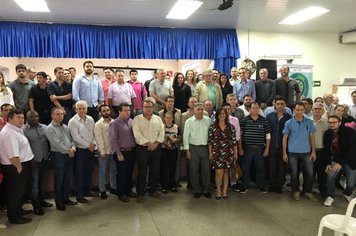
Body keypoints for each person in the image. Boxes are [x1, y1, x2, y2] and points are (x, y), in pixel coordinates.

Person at [0, 109, 33, 224]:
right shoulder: (9, 133)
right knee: (15, 192)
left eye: (22, 117)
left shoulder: (16, 130)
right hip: (15, 167)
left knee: (19, 192)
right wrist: (19, 168)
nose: (21, 120)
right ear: (9, 119)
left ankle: (18, 211)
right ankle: (15, 217)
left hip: (19, 165)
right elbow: (13, 156)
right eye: (18, 117)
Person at [282, 101, 317, 201]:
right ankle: (295, 191)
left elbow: (312, 137)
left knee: (309, 173)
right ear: (294, 110)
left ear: (304, 110)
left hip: (306, 152)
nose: (299, 112)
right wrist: (284, 153)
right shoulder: (289, 123)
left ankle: (307, 191)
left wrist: (313, 151)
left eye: (301, 110)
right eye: (297, 110)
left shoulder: (309, 122)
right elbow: (284, 138)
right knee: (294, 173)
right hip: (292, 152)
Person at [133, 99, 165, 203]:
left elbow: (162, 132)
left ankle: (153, 191)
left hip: (156, 148)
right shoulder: (137, 119)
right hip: (143, 148)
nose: (148, 109)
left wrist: (156, 144)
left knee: (155, 171)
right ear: (142, 108)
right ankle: (140, 193)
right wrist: (148, 143)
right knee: (142, 171)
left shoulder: (157, 119)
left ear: (153, 108)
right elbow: (137, 134)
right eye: (146, 107)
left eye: (150, 107)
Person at [46, 107, 77, 211]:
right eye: (58, 114)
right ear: (52, 116)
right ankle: (59, 202)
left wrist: (73, 148)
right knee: (59, 180)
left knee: (67, 179)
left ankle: (65, 198)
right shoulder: (50, 128)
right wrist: (69, 151)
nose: (60, 116)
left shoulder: (65, 127)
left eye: (62, 114)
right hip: (59, 155)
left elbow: (72, 140)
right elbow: (56, 144)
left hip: (69, 155)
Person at [22, 111, 53, 215]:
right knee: (34, 185)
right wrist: (31, 160)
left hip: (44, 159)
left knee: (42, 183)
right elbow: (24, 147)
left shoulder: (44, 127)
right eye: (31, 116)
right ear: (27, 118)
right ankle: (36, 206)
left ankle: (42, 200)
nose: (34, 118)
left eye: (36, 116)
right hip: (33, 161)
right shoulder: (23, 130)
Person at [323, 115, 356, 206]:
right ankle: (330, 196)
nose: (332, 124)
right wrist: (328, 163)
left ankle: (347, 193)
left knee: (351, 184)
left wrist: (341, 164)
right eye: (330, 122)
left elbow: (352, 149)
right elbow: (326, 150)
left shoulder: (349, 132)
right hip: (337, 158)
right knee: (330, 175)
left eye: (334, 122)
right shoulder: (328, 134)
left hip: (351, 160)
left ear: (339, 123)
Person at [239, 102, 271, 193]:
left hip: (260, 148)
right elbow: (240, 136)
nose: (255, 109)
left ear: (259, 109)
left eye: (257, 108)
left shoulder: (264, 120)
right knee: (246, 168)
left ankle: (261, 186)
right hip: (247, 148)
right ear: (249, 109)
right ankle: (244, 186)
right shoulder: (244, 120)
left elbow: (268, 135)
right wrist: (240, 148)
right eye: (253, 108)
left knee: (260, 168)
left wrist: (267, 149)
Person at [68, 100, 96, 203]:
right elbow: (75, 137)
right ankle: (79, 195)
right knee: (79, 173)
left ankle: (87, 191)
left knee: (89, 171)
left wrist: (93, 144)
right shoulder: (72, 121)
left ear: (87, 109)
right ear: (75, 109)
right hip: (80, 151)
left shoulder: (90, 119)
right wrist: (88, 145)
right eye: (79, 108)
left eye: (84, 108)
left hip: (91, 149)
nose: (82, 110)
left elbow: (94, 132)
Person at [109, 103, 138, 202]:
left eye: (129, 110)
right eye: (125, 110)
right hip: (121, 152)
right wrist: (118, 153)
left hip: (131, 151)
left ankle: (128, 190)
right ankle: (121, 193)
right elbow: (113, 140)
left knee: (129, 173)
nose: (127, 112)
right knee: (122, 174)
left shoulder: (132, 121)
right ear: (119, 111)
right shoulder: (115, 123)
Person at [183, 103, 212, 198]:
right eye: (198, 109)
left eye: (201, 109)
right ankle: (197, 190)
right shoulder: (189, 121)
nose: (200, 111)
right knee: (194, 170)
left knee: (206, 170)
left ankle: (206, 190)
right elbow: (186, 136)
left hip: (205, 148)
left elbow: (211, 135)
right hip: (193, 148)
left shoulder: (208, 120)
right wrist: (187, 150)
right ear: (194, 110)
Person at [208, 108, 237, 199]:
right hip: (216, 152)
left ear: (226, 115)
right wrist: (210, 153)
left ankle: (225, 192)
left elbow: (234, 141)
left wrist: (235, 154)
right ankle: (218, 191)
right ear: (217, 115)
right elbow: (210, 142)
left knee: (225, 172)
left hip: (228, 151)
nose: (222, 115)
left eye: (223, 113)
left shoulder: (231, 127)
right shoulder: (213, 126)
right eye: (220, 114)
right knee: (218, 172)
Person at [266, 96, 292, 193]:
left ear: (285, 105)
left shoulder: (289, 118)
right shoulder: (269, 116)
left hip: (283, 147)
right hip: (271, 145)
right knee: (271, 166)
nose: (280, 106)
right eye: (278, 104)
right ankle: (272, 184)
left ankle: (279, 185)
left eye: (282, 104)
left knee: (281, 167)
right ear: (274, 105)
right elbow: (267, 132)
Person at [94, 105, 117, 200]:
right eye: (104, 111)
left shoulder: (114, 122)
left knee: (113, 171)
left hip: (113, 151)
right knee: (102, 172)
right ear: (100, 112)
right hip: (104, 152)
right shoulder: (98, 124)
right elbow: (99, 139)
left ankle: (113, 187)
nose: (106, 112)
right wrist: (102, 151)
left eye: (108, 110)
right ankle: (102, 190)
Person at [310, 102, 329, 196]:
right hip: (309, 151)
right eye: (315, 108)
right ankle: (308, 189)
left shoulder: (327, 122)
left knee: (321, 172)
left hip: (322, 151)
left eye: (319, 109)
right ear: (312, 110)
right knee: (309, 172)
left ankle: (322, 189)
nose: (317, 110)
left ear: (323, 111)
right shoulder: (307, 121)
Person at [160, 111, 180, 194]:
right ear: (164, 118)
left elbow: (180, 137)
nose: (168, 119)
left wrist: (176, 140)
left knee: (172, 168)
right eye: (167, 118)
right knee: (164, 168)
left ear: (172, 119)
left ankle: (172, 185)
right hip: (164, 150)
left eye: (170, 118)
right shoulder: (161, 127)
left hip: (173, 150)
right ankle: (163, 186)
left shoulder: (176, 127)